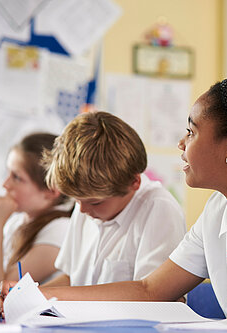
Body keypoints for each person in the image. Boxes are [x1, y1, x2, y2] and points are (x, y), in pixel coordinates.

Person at [0, 44, 227, 319]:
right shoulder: (219, 209)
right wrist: (41, 295)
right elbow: (151, 289)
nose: (181, 143)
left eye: (192, 131)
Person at [32, 111, 185, 289]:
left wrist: (49, 296)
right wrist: (32, 296)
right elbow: (71, 278)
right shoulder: (87, 205)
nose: (82, 210)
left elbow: (154, 295)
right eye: (76, 200)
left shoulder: (158, 208)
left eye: (95, 202)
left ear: (134, 182)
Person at [0, 133, 74, 298]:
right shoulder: (17, 222)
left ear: (50, 192)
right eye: (8, 173)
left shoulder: (60, 230)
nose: (5, 184)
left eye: (16, 177)